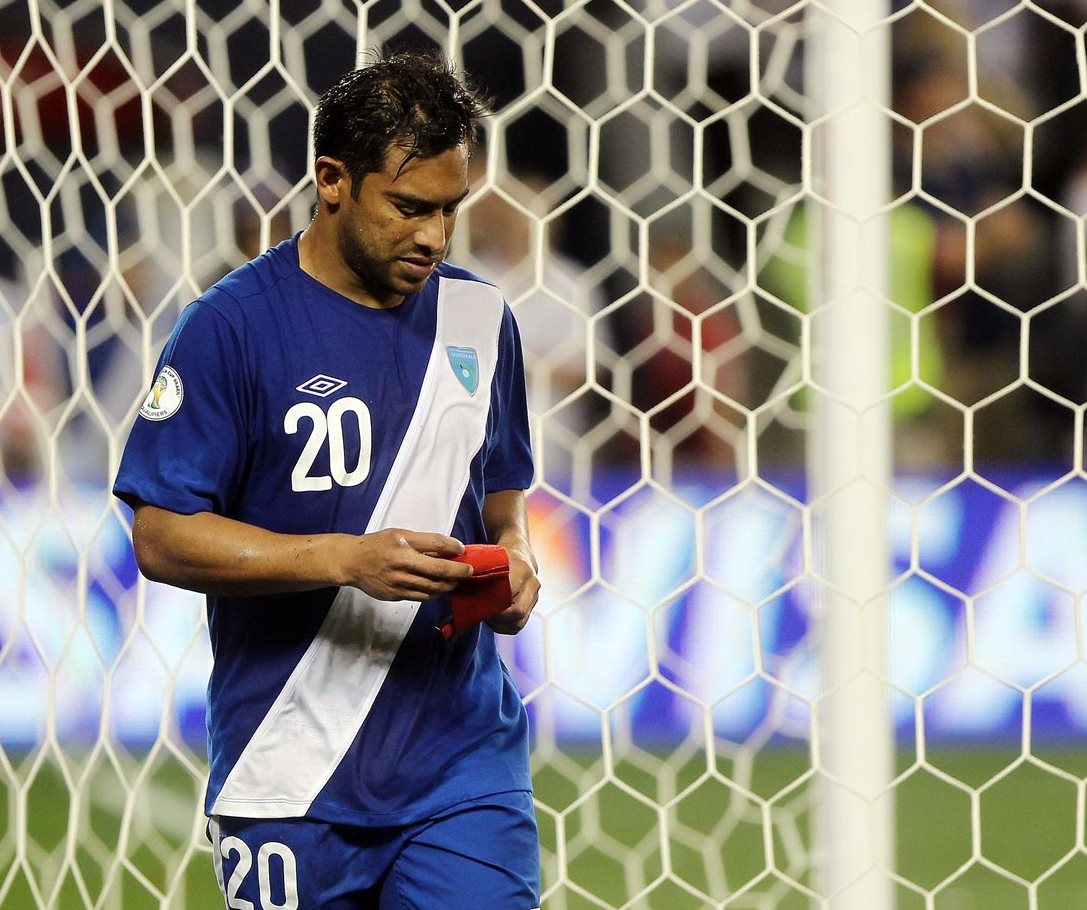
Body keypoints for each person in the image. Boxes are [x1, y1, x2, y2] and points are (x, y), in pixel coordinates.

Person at [112, 49, 542, 910]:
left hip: (461, 765)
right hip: (288, 767)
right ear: (332, 179)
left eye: (451, 210)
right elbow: (160, 536)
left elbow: (502, 499)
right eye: (410, 207)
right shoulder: (229, 328)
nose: (434, 236)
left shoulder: (480, 319)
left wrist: (515, 563)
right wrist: (345, 560)